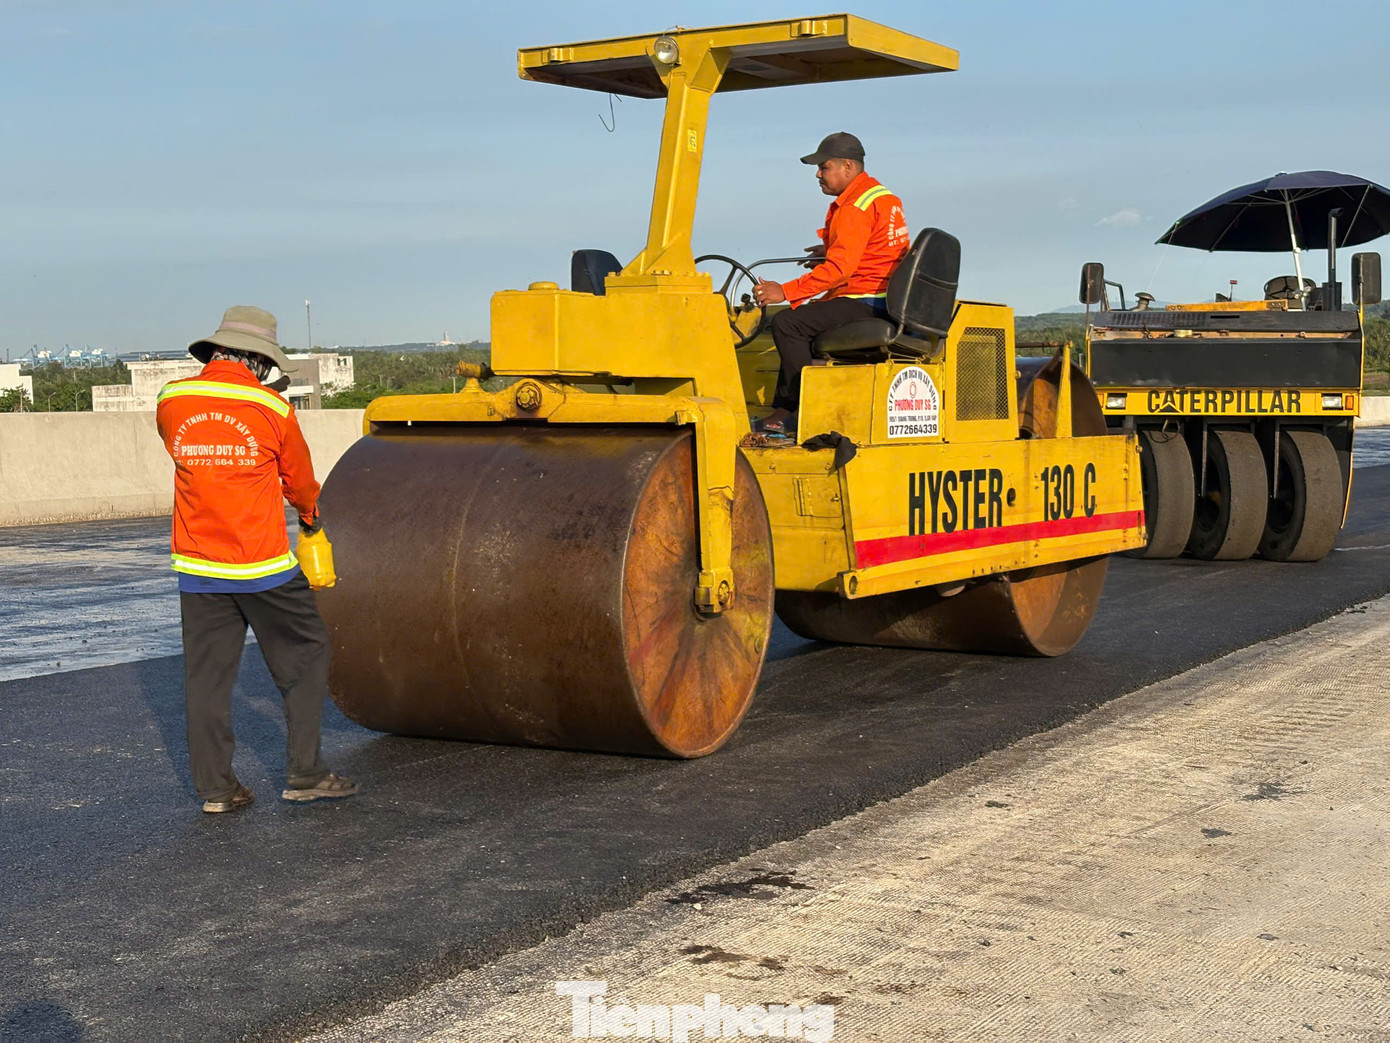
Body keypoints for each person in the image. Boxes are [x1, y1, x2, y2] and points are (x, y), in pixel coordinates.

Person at [156, 305, 358, 813]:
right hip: (261, 566)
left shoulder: (172, 399)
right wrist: (312, 519)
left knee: (205, 681)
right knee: (306, 654)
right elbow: (300, 482)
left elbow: (187, 454)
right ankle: (305, 773)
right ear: (258, 359)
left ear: (215, 350)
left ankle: (217, 791)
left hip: (198, 566)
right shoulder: (272, 408)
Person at [753, 132, 910, 434]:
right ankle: (796, 406)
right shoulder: (881, 197)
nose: (818, 174)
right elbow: (880, 245)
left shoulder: (853, 207)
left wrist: (783, 291)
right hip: (883, 297)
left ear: (847, 167)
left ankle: (795, 411)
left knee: (788, 323)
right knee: (808, 316)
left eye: (824, 167)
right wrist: (831, 248)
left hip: (864, 299)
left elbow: (840, 271)